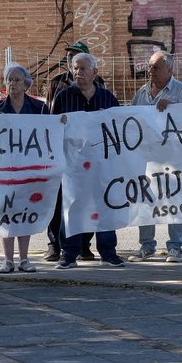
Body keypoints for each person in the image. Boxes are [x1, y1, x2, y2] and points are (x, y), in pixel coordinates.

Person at [51, 52, 125, 269]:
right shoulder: (63, 97)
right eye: (75, 68)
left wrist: (106, 118)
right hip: (73, 165)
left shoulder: (108, 98)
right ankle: (69, 254)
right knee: (72, 206)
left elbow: (119, 127)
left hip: (102, 164)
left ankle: (108, 253)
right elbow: (52, 127)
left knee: (105, 204)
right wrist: (61, 122)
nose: (78, 72)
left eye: (82, 68)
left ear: (95, 72)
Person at [129, 51, 182, 263]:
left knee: (174, 200)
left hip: (173, 158)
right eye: (149, 66)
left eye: (156, 67)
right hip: (146, 157)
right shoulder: (142, 93)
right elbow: (131, 120)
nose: (151, 71)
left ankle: (175, 247)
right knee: (145, 200)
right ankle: (146, 246)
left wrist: (174, 110)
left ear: (169, 69)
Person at [0, 62, 47, 274]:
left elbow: (49, 133)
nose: (13, 83)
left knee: (24, 211)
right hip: (4, 169)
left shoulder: (39, 108)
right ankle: (8, 260)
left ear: (26, 84)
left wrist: (61, 122)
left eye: (17, 80)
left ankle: (25, 259)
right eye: (9, 80)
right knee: (6, 212)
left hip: (29, 168)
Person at [44, 41, 98, 263]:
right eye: (69, 57)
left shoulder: (101, 87)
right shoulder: (57, 84)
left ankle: (84, 244)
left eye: (76, 56)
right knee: (60, 201)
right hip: (66, 155)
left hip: (91, 156)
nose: (71, 61)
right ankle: (54, 245)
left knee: (89, 200)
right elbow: (50, 117)